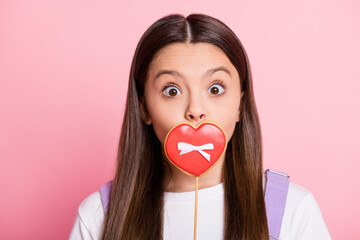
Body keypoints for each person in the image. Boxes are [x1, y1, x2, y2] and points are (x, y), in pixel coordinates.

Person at [69, 13, 331, 240]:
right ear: (145, 108)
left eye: (215, 89)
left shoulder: (293, 209)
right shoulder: (98, 216)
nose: (195, 109)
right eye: (172, 90)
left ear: (240, 104)